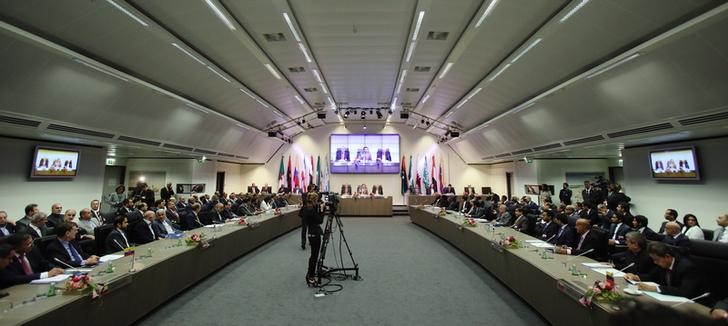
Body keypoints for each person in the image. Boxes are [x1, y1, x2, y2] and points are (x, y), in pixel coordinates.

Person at [624, 241, 703, 298]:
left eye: (657, 260)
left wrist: (655, 288)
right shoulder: (663, 263)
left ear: (667, 257)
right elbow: (652, 276)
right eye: (653, 260)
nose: (655, 262)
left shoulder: (687, 267)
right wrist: (636, 277)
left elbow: (685, 291)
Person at [0, 233, 64, 287]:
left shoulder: (33, 250)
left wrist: (56, 269)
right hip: (20, 288)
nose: (32, 245)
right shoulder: (7, 257)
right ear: (16, 247)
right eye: (28, 244)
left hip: (38, 285)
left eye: (32, 242)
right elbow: (14, 278)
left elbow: (44, 263)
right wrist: (46, 274)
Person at [301, 192, 324, 287]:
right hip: (314, 234)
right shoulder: (311, 210)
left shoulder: (307, 208)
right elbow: (320, 220)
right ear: (314, 200)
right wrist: (322, 210)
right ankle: (311, 276)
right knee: (314, 256)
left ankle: (310, 273)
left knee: (313, 256)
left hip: (311, 234)